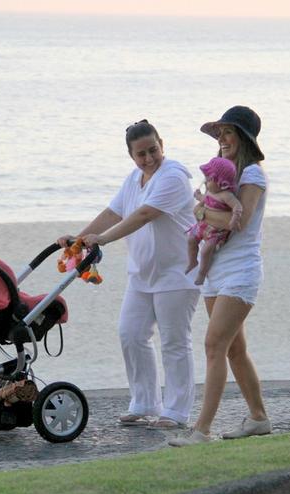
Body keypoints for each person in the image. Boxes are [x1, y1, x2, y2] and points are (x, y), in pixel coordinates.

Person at [58, 120, 200, 430]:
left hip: (177, 274)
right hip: (142, 274)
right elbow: (114, 212)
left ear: (162, 144)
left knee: (175, 342)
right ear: (131, 155)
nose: (149, 158)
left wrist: (104, 239)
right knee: (131, 333)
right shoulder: (134, 179)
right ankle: (146, 401)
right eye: (141, 154)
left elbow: (145, 214)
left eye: (153, 150)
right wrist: (79, 241)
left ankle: (176, 411)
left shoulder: (174, 176)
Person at [169, 105, 272, 446]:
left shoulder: (253, 175)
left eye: (229, 132)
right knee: (234, 349)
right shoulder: (222, 175)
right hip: (214, 271)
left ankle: (201, 431)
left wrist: (200, 210)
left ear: (244, 138)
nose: (223, 139)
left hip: (241, 271)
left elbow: (236, 223)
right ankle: (258, 418)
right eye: (220, 133)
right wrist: (203, 211)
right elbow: (211, 216)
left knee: (213, 345)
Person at [185, 156, 243, 286]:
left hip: (216, 231)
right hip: (203, 225)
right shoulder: (211, 192)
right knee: (190, 239)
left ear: (221, 183)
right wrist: (198, 196)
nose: (206, 181)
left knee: (206, 250)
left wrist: (235, 218)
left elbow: (237, 206)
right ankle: (192, 261)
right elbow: (204, 200)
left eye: (209, 179)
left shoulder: (225, 196)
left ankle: (202, 273)